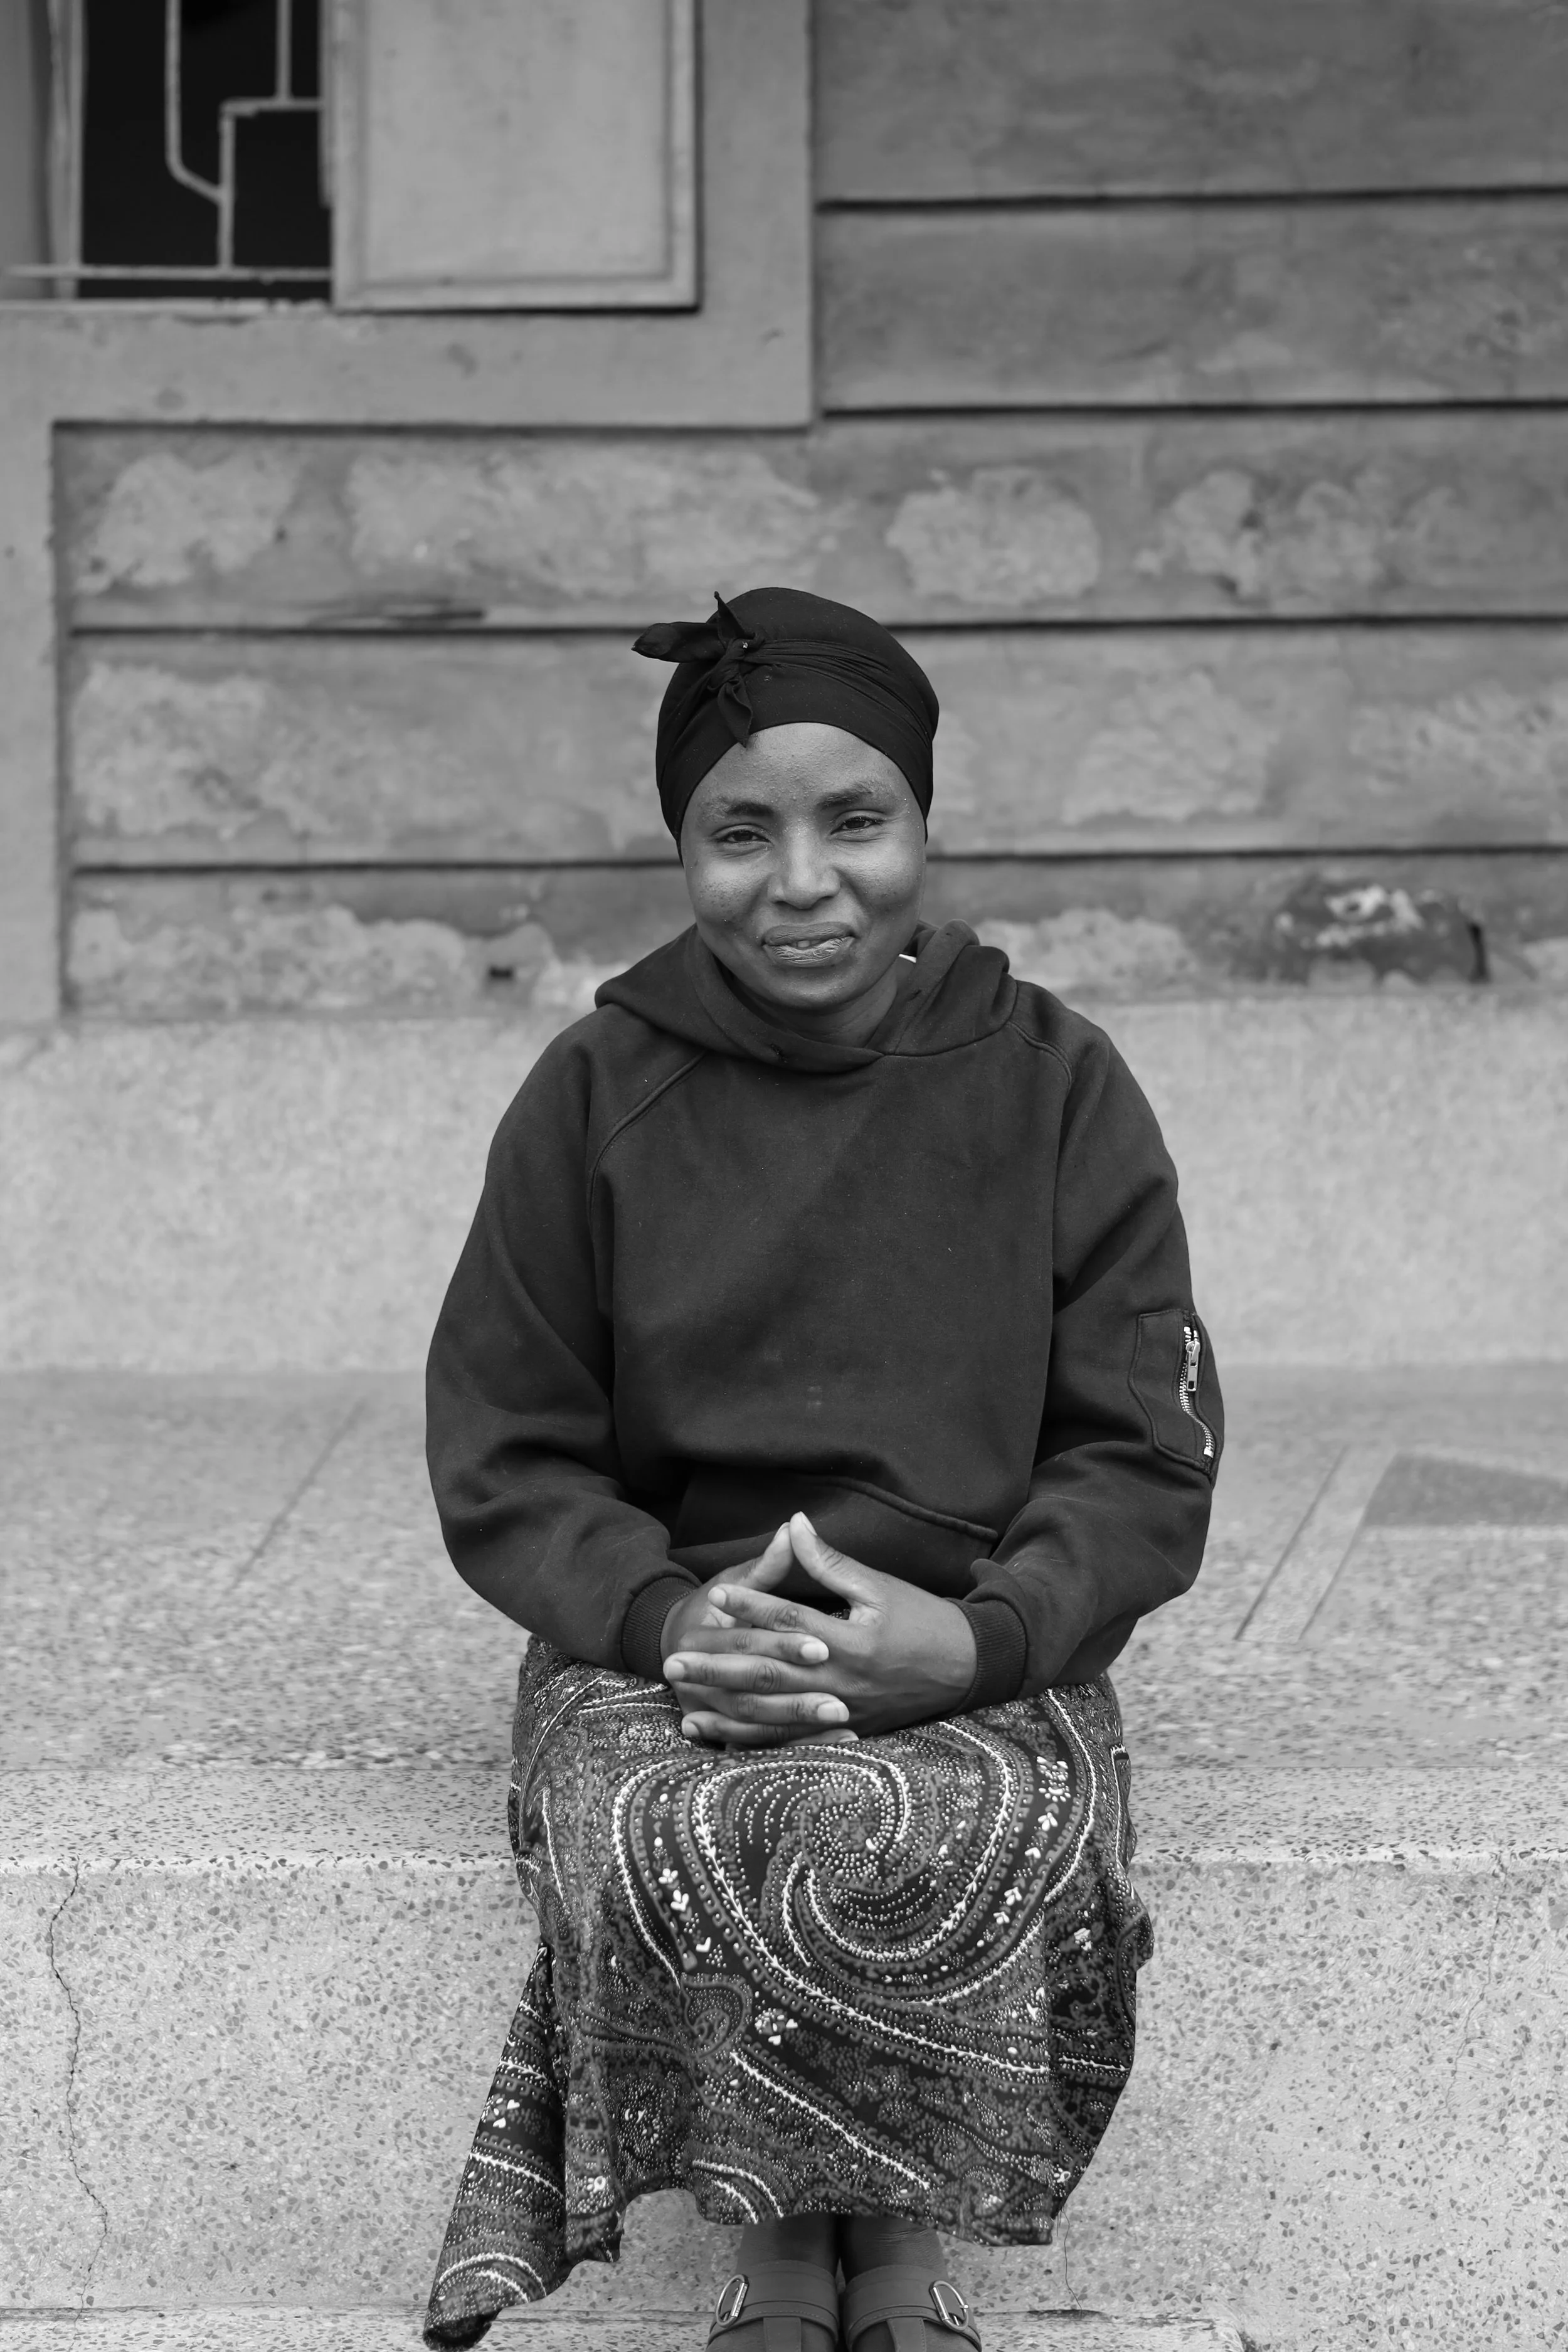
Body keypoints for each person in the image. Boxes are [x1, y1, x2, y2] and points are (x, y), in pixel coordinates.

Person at [421, 587, 1222, 2352]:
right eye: (740, 831)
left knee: (960, 1807)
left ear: (923, 824)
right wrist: (661, 1609)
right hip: (676, 1633)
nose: (802, 881)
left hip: (973, 1625)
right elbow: (509, 1446)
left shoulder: (1057, 1085)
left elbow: (1139, 1447)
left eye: (856, 820)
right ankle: (778, 2256)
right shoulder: (593, 1091)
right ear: (680, 847)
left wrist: (984, 1640)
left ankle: (902, 2257)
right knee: (676, 1815)